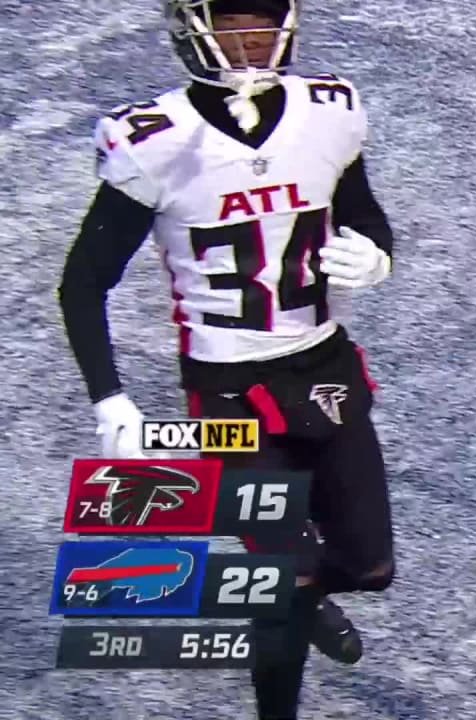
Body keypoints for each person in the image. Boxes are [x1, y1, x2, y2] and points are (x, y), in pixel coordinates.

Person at [58, 2, 396, 718]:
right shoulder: (154, 141)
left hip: (323, 362)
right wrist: (109, 398)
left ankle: (304, 600)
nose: (252, 37)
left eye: (263, 18)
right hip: (226, 388)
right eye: (234, 19)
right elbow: (83, 281)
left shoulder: (329, 112)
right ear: (193, 28)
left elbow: (366, 214)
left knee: (370, 562)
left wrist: (376, 256)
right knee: (286, 577)